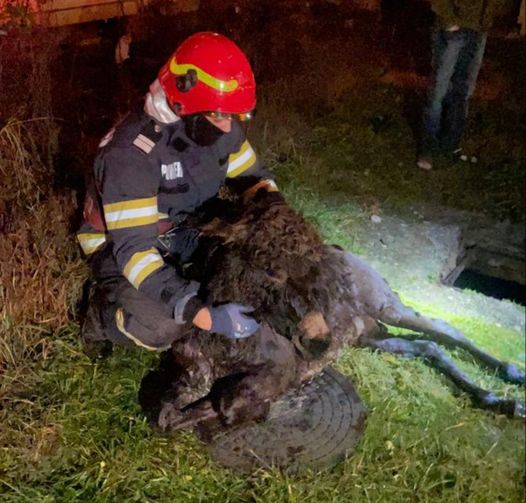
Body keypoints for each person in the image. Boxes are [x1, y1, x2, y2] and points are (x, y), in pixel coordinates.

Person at [77, 32, 278, 356]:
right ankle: (100, 315)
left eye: (233, 116)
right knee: (166, 324)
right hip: (120, 244)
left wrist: (273, 211)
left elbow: (253, 178)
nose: (228, 127)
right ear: (183, 105)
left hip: (183, 226)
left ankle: (186, 278)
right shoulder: (131, 155)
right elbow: (136, 253)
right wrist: (202, 315)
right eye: (218, 116)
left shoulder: (218, 124)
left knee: (245, 261)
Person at [417, 0, 513, 170]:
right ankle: (428, 149)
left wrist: (489, 17)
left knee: (463, 92)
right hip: (455, 27)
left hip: (478, 29)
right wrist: (448, 19)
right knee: (439, 91)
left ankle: (450, 147)